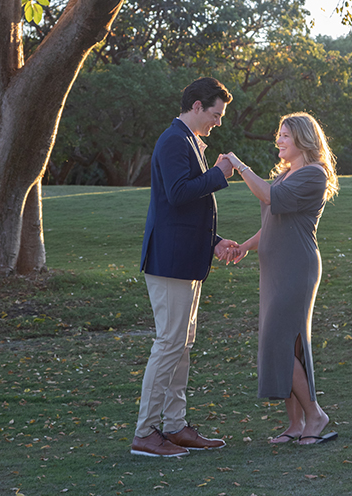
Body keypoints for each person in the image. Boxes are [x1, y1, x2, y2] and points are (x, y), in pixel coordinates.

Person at [131, 77, 242, 458]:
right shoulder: (173, 140)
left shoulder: (189, 141)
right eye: (215, 113)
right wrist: (219, 174)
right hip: (169, 263)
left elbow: (184, 208)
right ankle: (146, 433)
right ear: (196, 106)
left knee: (181, 346)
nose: (218, 121)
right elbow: (177, 194)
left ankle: (175, 427)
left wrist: (214, 242)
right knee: (168, 345)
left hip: (186, 260)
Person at [225, 112, 340, 446]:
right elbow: (274, 220)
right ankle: (295, 424)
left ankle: (315, 415)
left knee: (279, 340)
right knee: (285, 344)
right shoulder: (287, 175)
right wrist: (245, 246)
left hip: (296, 267)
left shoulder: (313, 175)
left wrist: (238, 164)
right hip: (274, 268)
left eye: (284, 135)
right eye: (279, 134)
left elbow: (268, 198)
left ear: (303, 139)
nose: (278, 140)